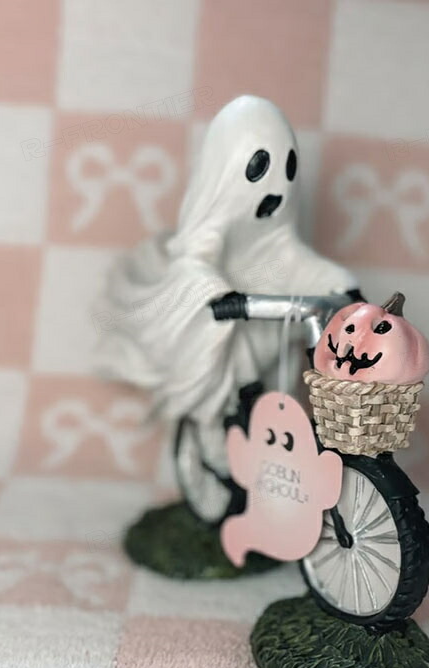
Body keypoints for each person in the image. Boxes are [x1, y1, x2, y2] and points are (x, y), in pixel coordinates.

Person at [95, 95, 357, 523]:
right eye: (260, 168)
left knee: (279, 406)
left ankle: (272, 486)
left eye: (287, 169)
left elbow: (293, 260)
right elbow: (193, 261)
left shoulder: (275, 238)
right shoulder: (212, 226)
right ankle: (215, 461)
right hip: (226, 347)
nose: (276, 187)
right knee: (222, 412)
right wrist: (217, 295)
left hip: (270, 340)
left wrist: (342, 287)